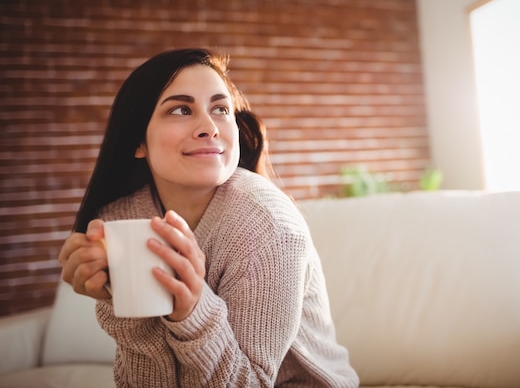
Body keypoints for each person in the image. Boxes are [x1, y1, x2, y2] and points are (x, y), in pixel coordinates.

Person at [58, 47, 359, 387]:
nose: (209, 128)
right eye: (182, 109)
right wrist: (122, 303)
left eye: (220, 109)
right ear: (137, 140)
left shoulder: (268, 226)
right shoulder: (121, 221)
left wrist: (192, 312)